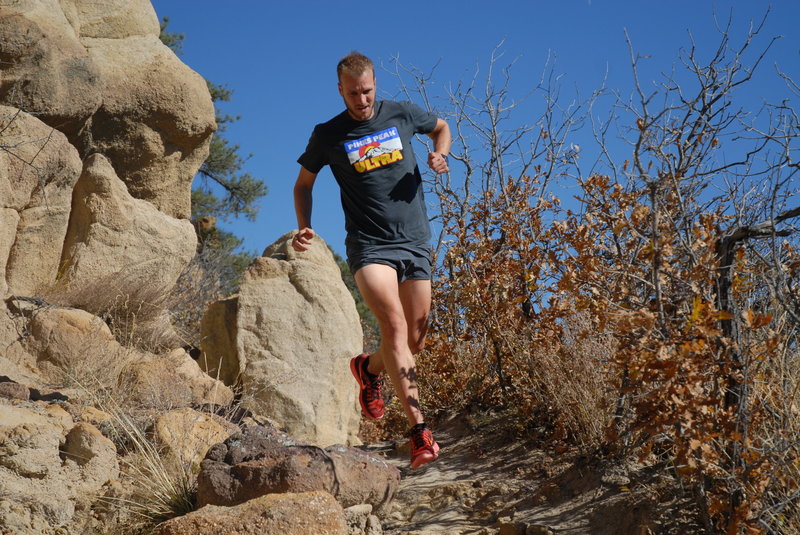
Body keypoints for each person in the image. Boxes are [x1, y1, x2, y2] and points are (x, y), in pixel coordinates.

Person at [291, 51, 451, 468]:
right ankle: (420, 433)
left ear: (374, 85)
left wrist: (440, 154)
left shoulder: (400, 113)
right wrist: (304, 225)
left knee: (414, 340)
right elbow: (303, 184)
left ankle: (368, 368)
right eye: (352, 94)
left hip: (415, 241)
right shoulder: (329, 134)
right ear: (339, 91)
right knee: (394, 325)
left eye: (367, 92)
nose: (361, 101)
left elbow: (441, 128)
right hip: (369, 246)